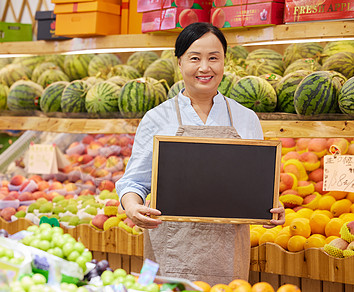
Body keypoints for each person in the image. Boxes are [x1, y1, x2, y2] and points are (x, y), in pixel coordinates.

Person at [116, 22, 285, 285]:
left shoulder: (246, 118)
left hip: (227, 255)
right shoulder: (157, 118)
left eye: (214, 58)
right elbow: (133, 182)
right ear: (180, 63)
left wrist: (270, 210)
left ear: (224, 63)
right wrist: (132, 206)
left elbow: (256, 187)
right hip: (168, 250)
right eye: (195, 58)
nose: (205, 67)